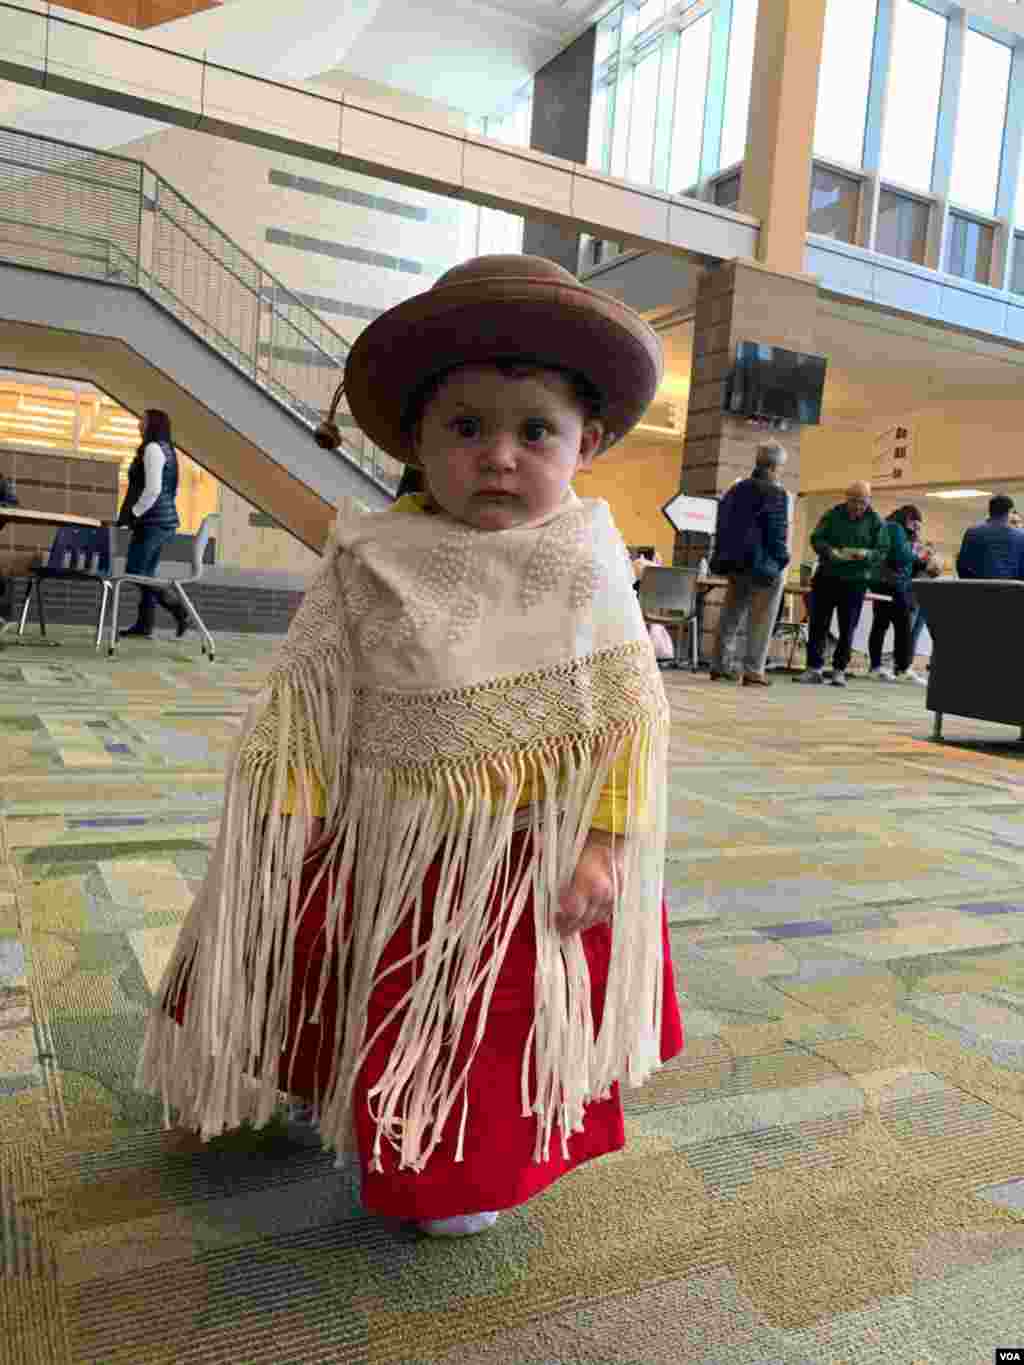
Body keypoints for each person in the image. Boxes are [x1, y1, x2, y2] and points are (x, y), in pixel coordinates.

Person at [137, 254, 684, 1240]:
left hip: (520, 852)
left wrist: (606, 841)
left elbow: (625, 717)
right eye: (465, 428)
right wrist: (290, 809)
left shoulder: (586, 560)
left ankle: (449, 1167)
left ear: (587, 443)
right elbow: (307, 695)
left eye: (534, 431)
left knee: (484, 1017)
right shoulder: (372, 553)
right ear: (419, 441)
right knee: (335, 961)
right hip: (373, 823)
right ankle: (324, 1083)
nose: (500, 455)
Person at [708, 442, 791, 686]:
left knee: (731, 613)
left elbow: (722, 525)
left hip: (736, 563)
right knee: (762, 618)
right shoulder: (776, 493)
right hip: (763, 565)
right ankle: (753, 670)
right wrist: (783, 559)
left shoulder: (736, 490)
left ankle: (720, 665)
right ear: (776, 466)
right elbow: (777, 533)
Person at [797, 480, 888, 687]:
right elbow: (816, 538)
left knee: (848, 628)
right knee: (818, 624)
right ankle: (814, 669)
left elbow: (882, 551)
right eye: (854, 501)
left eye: (862, 502)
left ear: (868, 501)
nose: (858, 506)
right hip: (827, 577)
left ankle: (839, 671)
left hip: (855, 581)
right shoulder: (832, 515)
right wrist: (829, 551)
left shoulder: (876, 522)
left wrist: (867, 554)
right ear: (846, 499)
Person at [116, 408, 190, 639]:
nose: (139, 424)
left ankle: (179, 609)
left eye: (143, 421)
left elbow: (154, 489)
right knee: (146, 573)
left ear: (152, 425)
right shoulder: (168, 450)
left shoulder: (153, 449)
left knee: (136, 571)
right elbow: (172, 489)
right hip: (162, 521)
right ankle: (144, 625)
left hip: (153, 522)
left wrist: (135, 513)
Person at [867, 505, 926, 685]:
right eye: (916, 524)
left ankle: (876, 667)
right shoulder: (895, 528)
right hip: (892, 583)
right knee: (903, 627)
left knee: (881, 624)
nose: (917, 528)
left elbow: (904, 558)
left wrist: (916, 557)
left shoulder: (892, 528)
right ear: (908, 518)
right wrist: (919, 557)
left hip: (885, 582)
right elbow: (900, 556)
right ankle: (902, 668)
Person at [956, 494, 1024, 580]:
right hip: (1011, 590)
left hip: (979, 589)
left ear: (990, 511)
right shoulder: (1021, 536)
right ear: (1010, 511)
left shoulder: (972, 532)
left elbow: (963, 565)